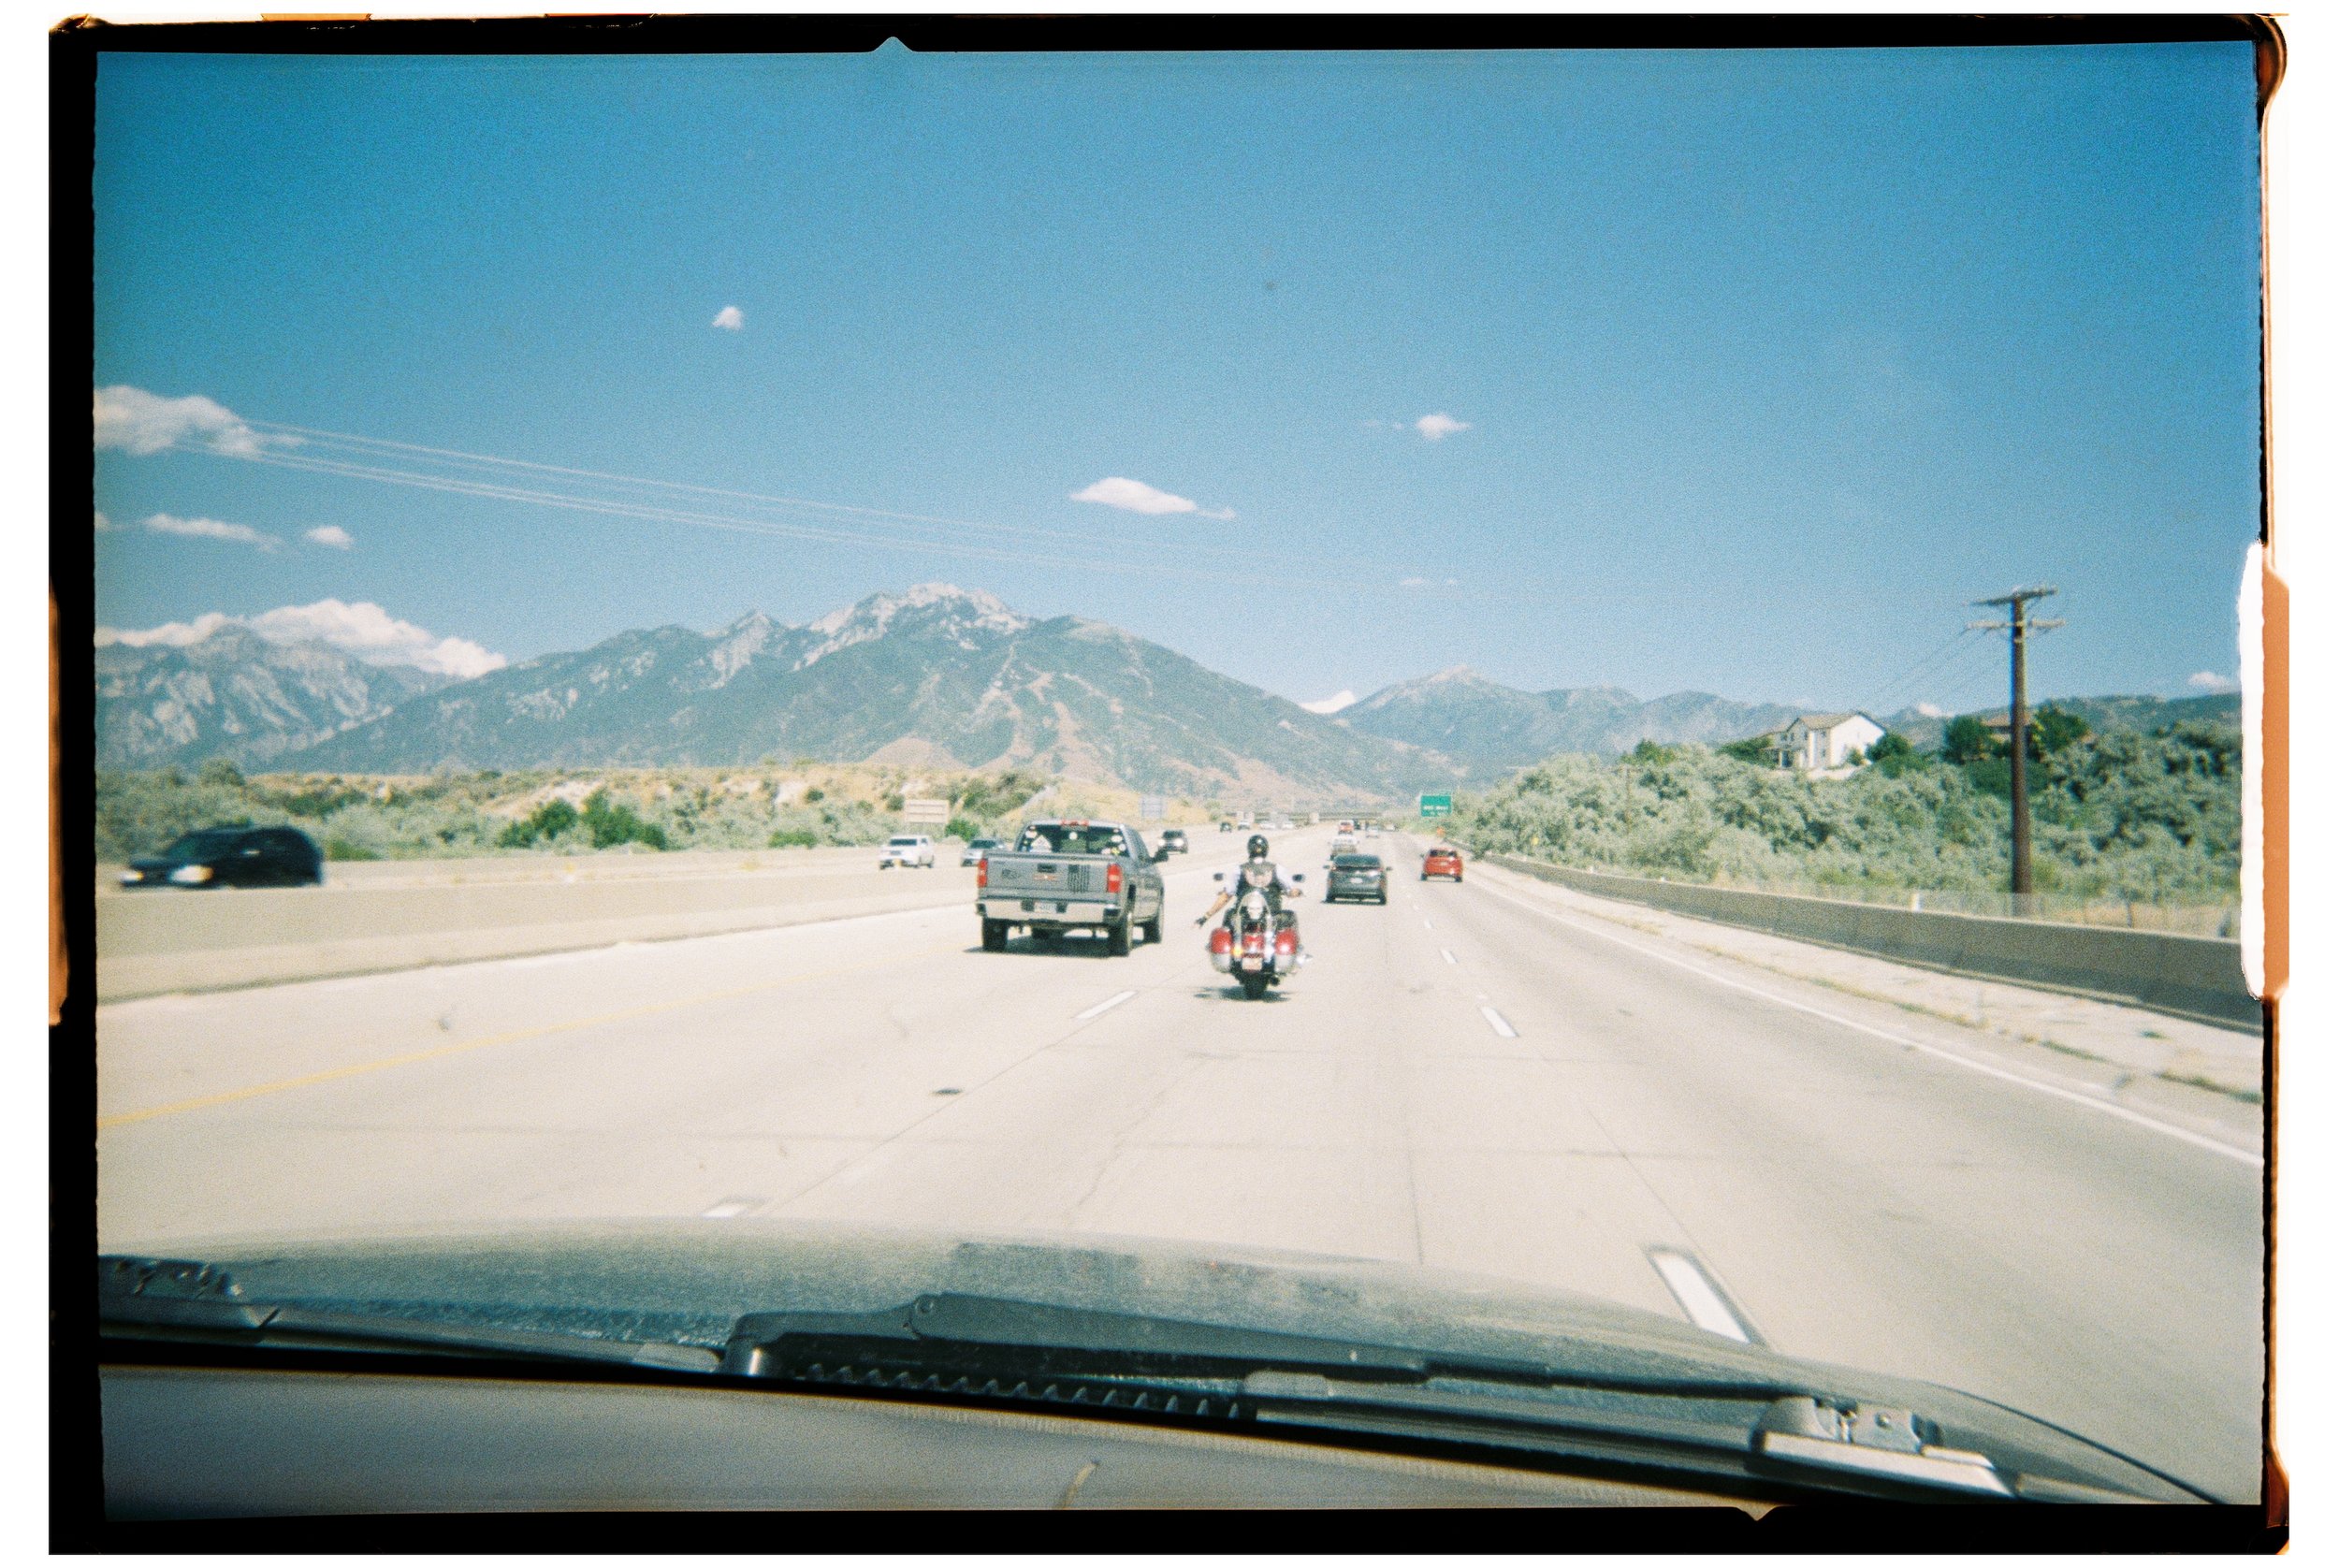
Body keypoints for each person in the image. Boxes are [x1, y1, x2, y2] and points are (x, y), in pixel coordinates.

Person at [1196, 834, 1300, 927]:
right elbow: (1291, 891)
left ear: (1249, 849)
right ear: (1266, 849)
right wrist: (1296, 892)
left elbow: (1226, 895)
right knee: (1290, 917)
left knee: (1228, 917)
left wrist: (1205, 917)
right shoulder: (1277, 869)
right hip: (1273, 915)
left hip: (1243, 917)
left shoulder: (1239, 869)